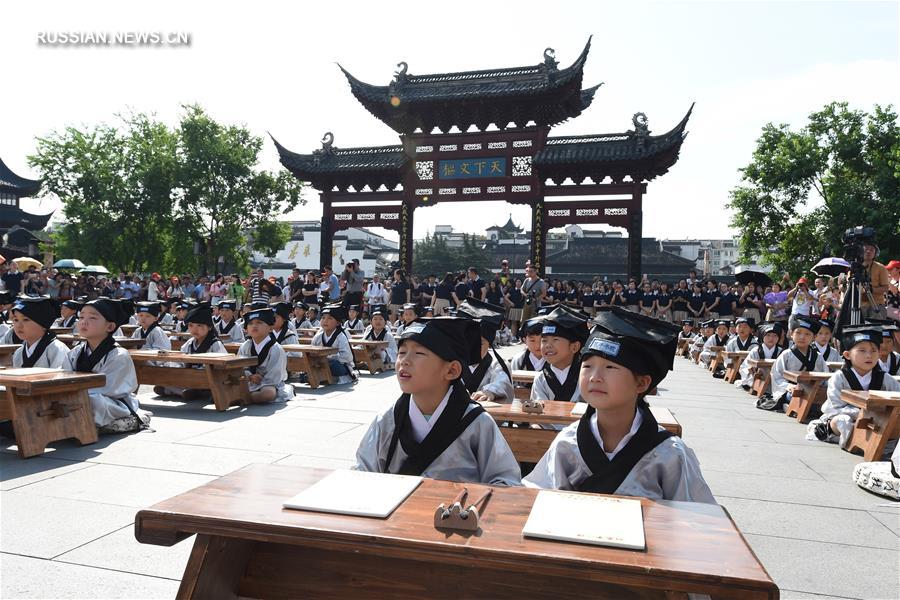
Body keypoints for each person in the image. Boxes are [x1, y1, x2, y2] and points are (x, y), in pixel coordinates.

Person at [523, 306, 716, 503]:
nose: (594, 378)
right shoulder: (567, 443)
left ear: (641, 383)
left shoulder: (670, 453)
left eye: (610, 367)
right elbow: (537, 496)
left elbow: (698, 517)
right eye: (587, 366)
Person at [353, 316, 521, 485]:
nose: (404, 360)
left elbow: (507, 482)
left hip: (457, 510)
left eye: (419, 353)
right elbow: (362, 473)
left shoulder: (477, 422)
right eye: (402, 352)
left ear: (452, 370)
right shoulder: (388, 418)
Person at [63, 298, 151, 433]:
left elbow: (108, 389)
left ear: (110, 326)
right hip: (80, 396)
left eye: (92, 318)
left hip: (113, 402)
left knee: (93, 402)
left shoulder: (118, 354)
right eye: (81, 317)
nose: (83, 322)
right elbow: (65, 377)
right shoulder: (75, 352)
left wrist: (76, 393)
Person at [810, 325, 900, 448]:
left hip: (876, 421)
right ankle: (853, 442)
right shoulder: (839, 377)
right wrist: (860, 413)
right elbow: (833, 408)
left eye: (873, 351)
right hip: (845, 419)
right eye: (862, 351)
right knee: (843, 421)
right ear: (847, 355)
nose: (869, 355)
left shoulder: (884, 378)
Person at [155, 303, 228, 400]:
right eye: (191, 325)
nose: (195, 329)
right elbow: (181, 360)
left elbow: (222, 367)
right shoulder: (189, 343)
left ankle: (181, 391)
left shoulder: (215, 344)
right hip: (189, 378)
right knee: (168, 371)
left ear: (209, 327)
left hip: (207, 379)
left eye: (199, 325)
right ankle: (187, 391)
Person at [760, 314, 827, 411]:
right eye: (798, 333)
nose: (802, 337)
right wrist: (788, 386)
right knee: (795, 396)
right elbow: (776, 376)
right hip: (792, 390)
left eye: (807, 334)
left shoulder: (818, 356)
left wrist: (821, 388)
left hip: (813, 390)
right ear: (791, 334)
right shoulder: (786, 354)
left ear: (814, 337)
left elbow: (825, 377)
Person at [455, 298, 514, 403]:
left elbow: (503, 382)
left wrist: (489, 392)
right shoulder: (452, 363)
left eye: (480, 343)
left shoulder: (498, 364)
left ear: (489, 344)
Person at [531, 306, 590, 403]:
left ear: (574, 347)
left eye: (555, 340)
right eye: (544, 340)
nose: (548, 345)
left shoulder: (586, 377)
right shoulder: (541, 378)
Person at [237, 307, 292, 403]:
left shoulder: (276, 348)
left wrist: (260, 379)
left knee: (268, 394)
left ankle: (246, 397)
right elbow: (240, 366)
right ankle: (246, 396)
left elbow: (276, 373)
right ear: (246, 329)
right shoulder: (245, 346)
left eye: (259, 323)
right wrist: (249, 376)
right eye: (250, 323)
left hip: (268, 383)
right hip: (248, 381)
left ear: (270, 328)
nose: (254, 326)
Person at [10, 296, 69, 369]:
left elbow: (61, 378)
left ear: (43, 324)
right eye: (16, 320)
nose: (19, 325)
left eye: (25, 319)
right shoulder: (18, 353)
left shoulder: (57, 349)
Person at [311, 303, 357, 384]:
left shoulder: (341, 336)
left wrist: (330, 357)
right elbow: (313, 350)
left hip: (339, 365)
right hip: (323, 363)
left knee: (334, 365)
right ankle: (322, 376)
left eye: (330, 318)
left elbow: (347, 356)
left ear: (338, 323)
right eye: (323, 318)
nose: (325, 321)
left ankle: (325, 376)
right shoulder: (318, 336)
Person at [738, 322, 784, 391]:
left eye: (775, 336)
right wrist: (751, 370)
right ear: (762, 336)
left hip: (774, 380)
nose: (771, 338)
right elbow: (745, 367)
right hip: (758, 378)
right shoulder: (756, 350)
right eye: (768, 335)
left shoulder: (781, 352)